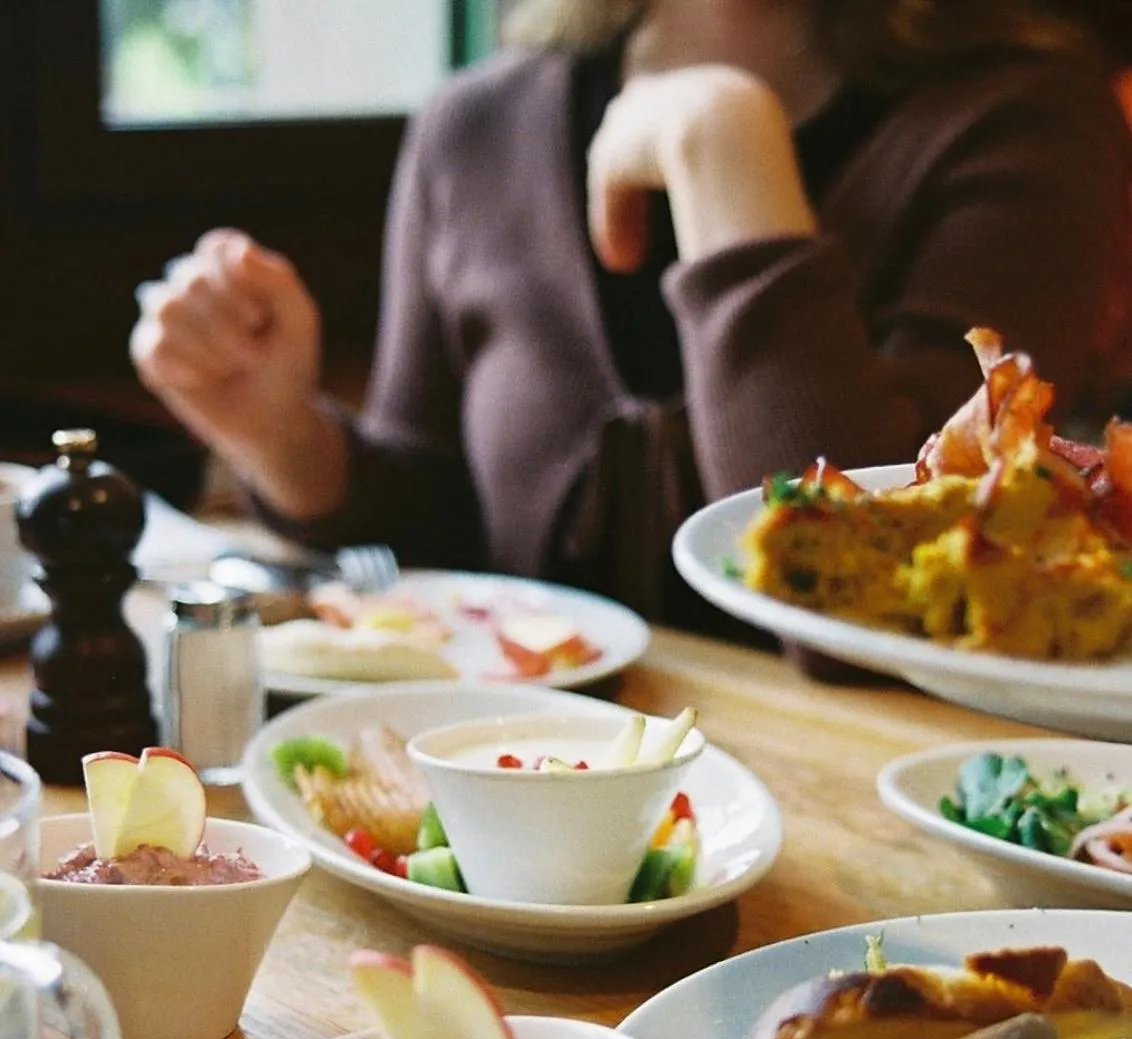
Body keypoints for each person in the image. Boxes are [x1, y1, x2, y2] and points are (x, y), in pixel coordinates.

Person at [129, 0, 1132, 628]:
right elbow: (442, 529)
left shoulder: (1032, 121)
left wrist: (721, 144)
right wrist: (281, 435)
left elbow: (877, 602)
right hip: (521, 799)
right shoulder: (476, 123)